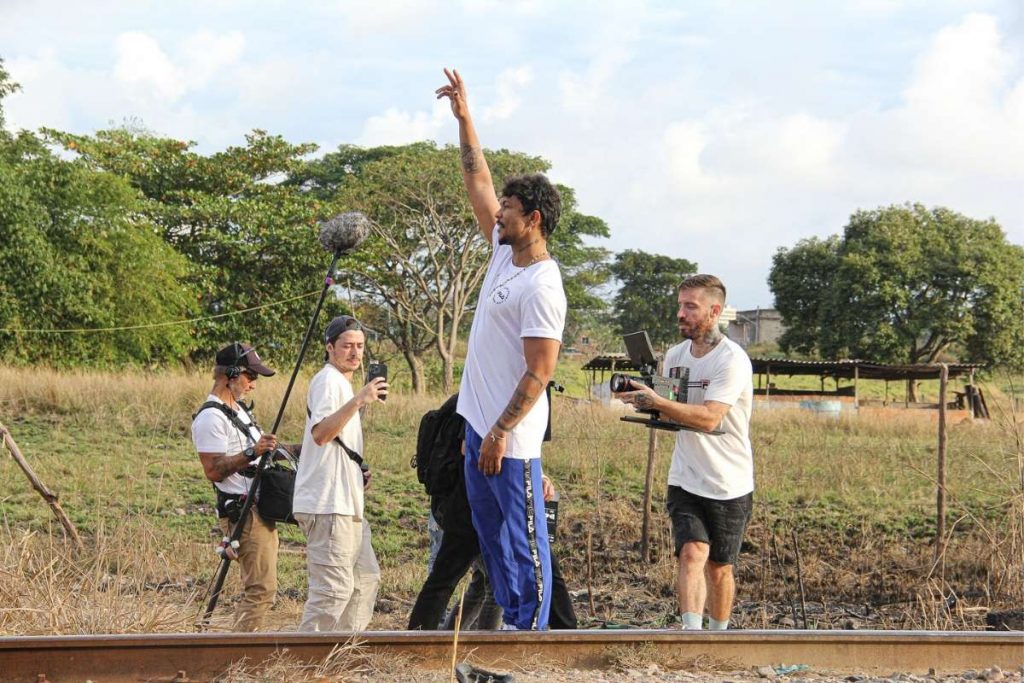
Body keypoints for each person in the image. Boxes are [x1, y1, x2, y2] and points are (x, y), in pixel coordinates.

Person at [435, 68, 567, 630]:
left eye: (509, 209)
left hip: (508, 441)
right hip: (478, 430)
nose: (498, 214)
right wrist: (465, 119)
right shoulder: (501, 253)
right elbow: (478, 180)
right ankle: (513, 631)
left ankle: (530, 641)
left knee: (523, 545)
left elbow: (539, 373)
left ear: (531, 220)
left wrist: (497, 432)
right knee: (493, 541)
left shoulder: (542, 284)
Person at [616, 274, 754, 630]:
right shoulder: (675, 356)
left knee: (720, 567)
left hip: (728, 481)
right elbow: (666, 409)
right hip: (685, 476)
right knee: (691, 553)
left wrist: (658, 400)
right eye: (680, 305)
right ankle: (691, 638)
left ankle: (718, 637)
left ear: (715, 311)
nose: (681, 313)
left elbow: (709, 418)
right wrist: (640, 400)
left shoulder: (731, 360)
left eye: (690, 306)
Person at [293, 314, 388, 632]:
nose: (355, 353)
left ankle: (341, 656)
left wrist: (356, 468)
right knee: (332, 592)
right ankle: (301, 666)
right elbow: (321, 433)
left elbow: (333, 442)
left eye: (360, 346)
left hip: (346, 503)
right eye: (348, 345)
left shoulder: (341, 383)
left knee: (364, 580)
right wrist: (360, 399)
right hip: (328, 503)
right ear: (330, 347)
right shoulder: (328, 380)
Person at [191, 342, 279, 631]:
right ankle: (241, 659)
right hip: (243, 512)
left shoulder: (238, 410)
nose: (253, 385)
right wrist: (252, 453)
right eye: (250, 376)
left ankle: (242, 653)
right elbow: (214, 470)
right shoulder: (210, 417)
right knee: (260, 589)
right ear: (230, 374)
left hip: (260, 506)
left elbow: (263, 450)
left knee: (263, 588)